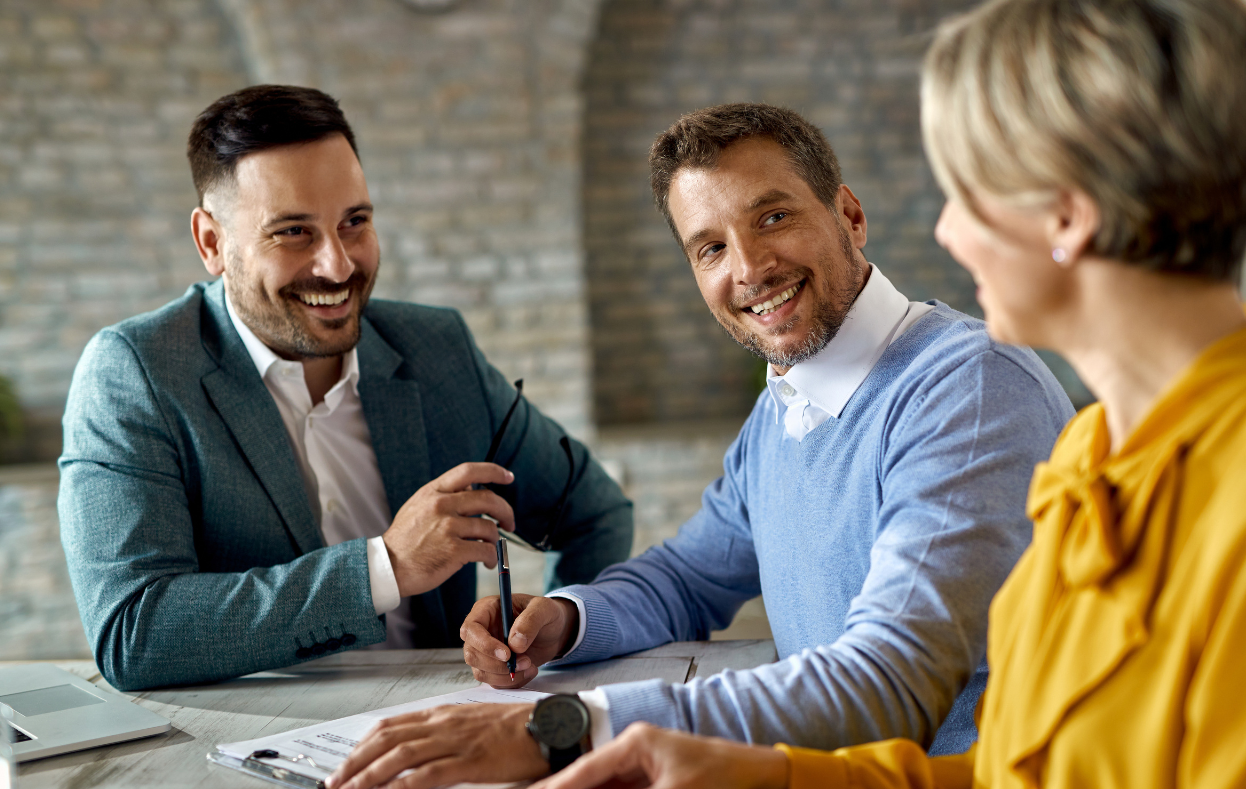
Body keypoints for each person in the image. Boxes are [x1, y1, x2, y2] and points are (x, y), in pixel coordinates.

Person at [519, 0, 1246, 786]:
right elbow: (1018, 771)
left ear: (1068, 213)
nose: (945, 232)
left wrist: (582, 727)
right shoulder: (1089, 453)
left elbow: (902, 684)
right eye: (711, 247)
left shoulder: (984, 394)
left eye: (967, 191)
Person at [323, 103, 1076, 789]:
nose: (748, 269)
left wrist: (573, 728)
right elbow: (687, 578)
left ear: (848, 214)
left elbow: (886, 682)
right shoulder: (786, 403)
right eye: (710, 247)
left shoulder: (966, 387)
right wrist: (562, 618)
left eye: (773, 217)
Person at [58, 85, 633, 692]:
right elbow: (134, 632)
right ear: (212, 243)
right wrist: (385, 567)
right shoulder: (134, 373)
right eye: (293, 233)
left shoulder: (438, 351)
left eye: (354, 222)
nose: (337, 266)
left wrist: (559, 634)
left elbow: (593, 513)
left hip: (449, 731)